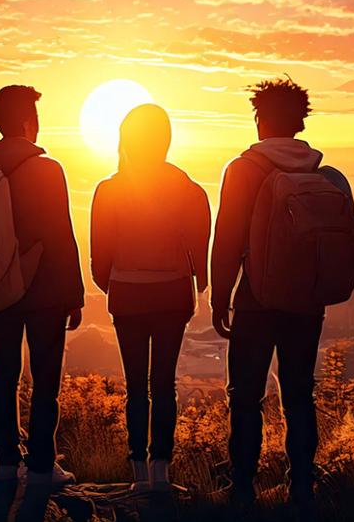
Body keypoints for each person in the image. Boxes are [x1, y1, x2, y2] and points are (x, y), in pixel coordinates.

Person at [211, 78, 354, 520]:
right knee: (299, 395)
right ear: (300, 122)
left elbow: (228, 238)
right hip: (307, 302)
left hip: (256, 299)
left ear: (260, 120)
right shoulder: (322, 173)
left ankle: (243, 490)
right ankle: (302, 487)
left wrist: (220, 297)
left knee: (246, 396)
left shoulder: (244, 168)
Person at [0, 85, 84, 491]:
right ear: (25, 122)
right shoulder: (46, 169)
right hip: (46, 291)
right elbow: (61, 234)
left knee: (5, 375)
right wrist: (75, 295)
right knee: (45, 380)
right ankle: (40, 467)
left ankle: (5, 463)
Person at [89, 104, 210, 493]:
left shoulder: (108, 190)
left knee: (136, 386)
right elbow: (199, 254)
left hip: (126, 295)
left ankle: (138, 471)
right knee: (164, 384)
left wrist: (121, 283)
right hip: (173, 294)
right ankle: (161, 470)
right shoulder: (188, 189)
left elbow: (97, 260)